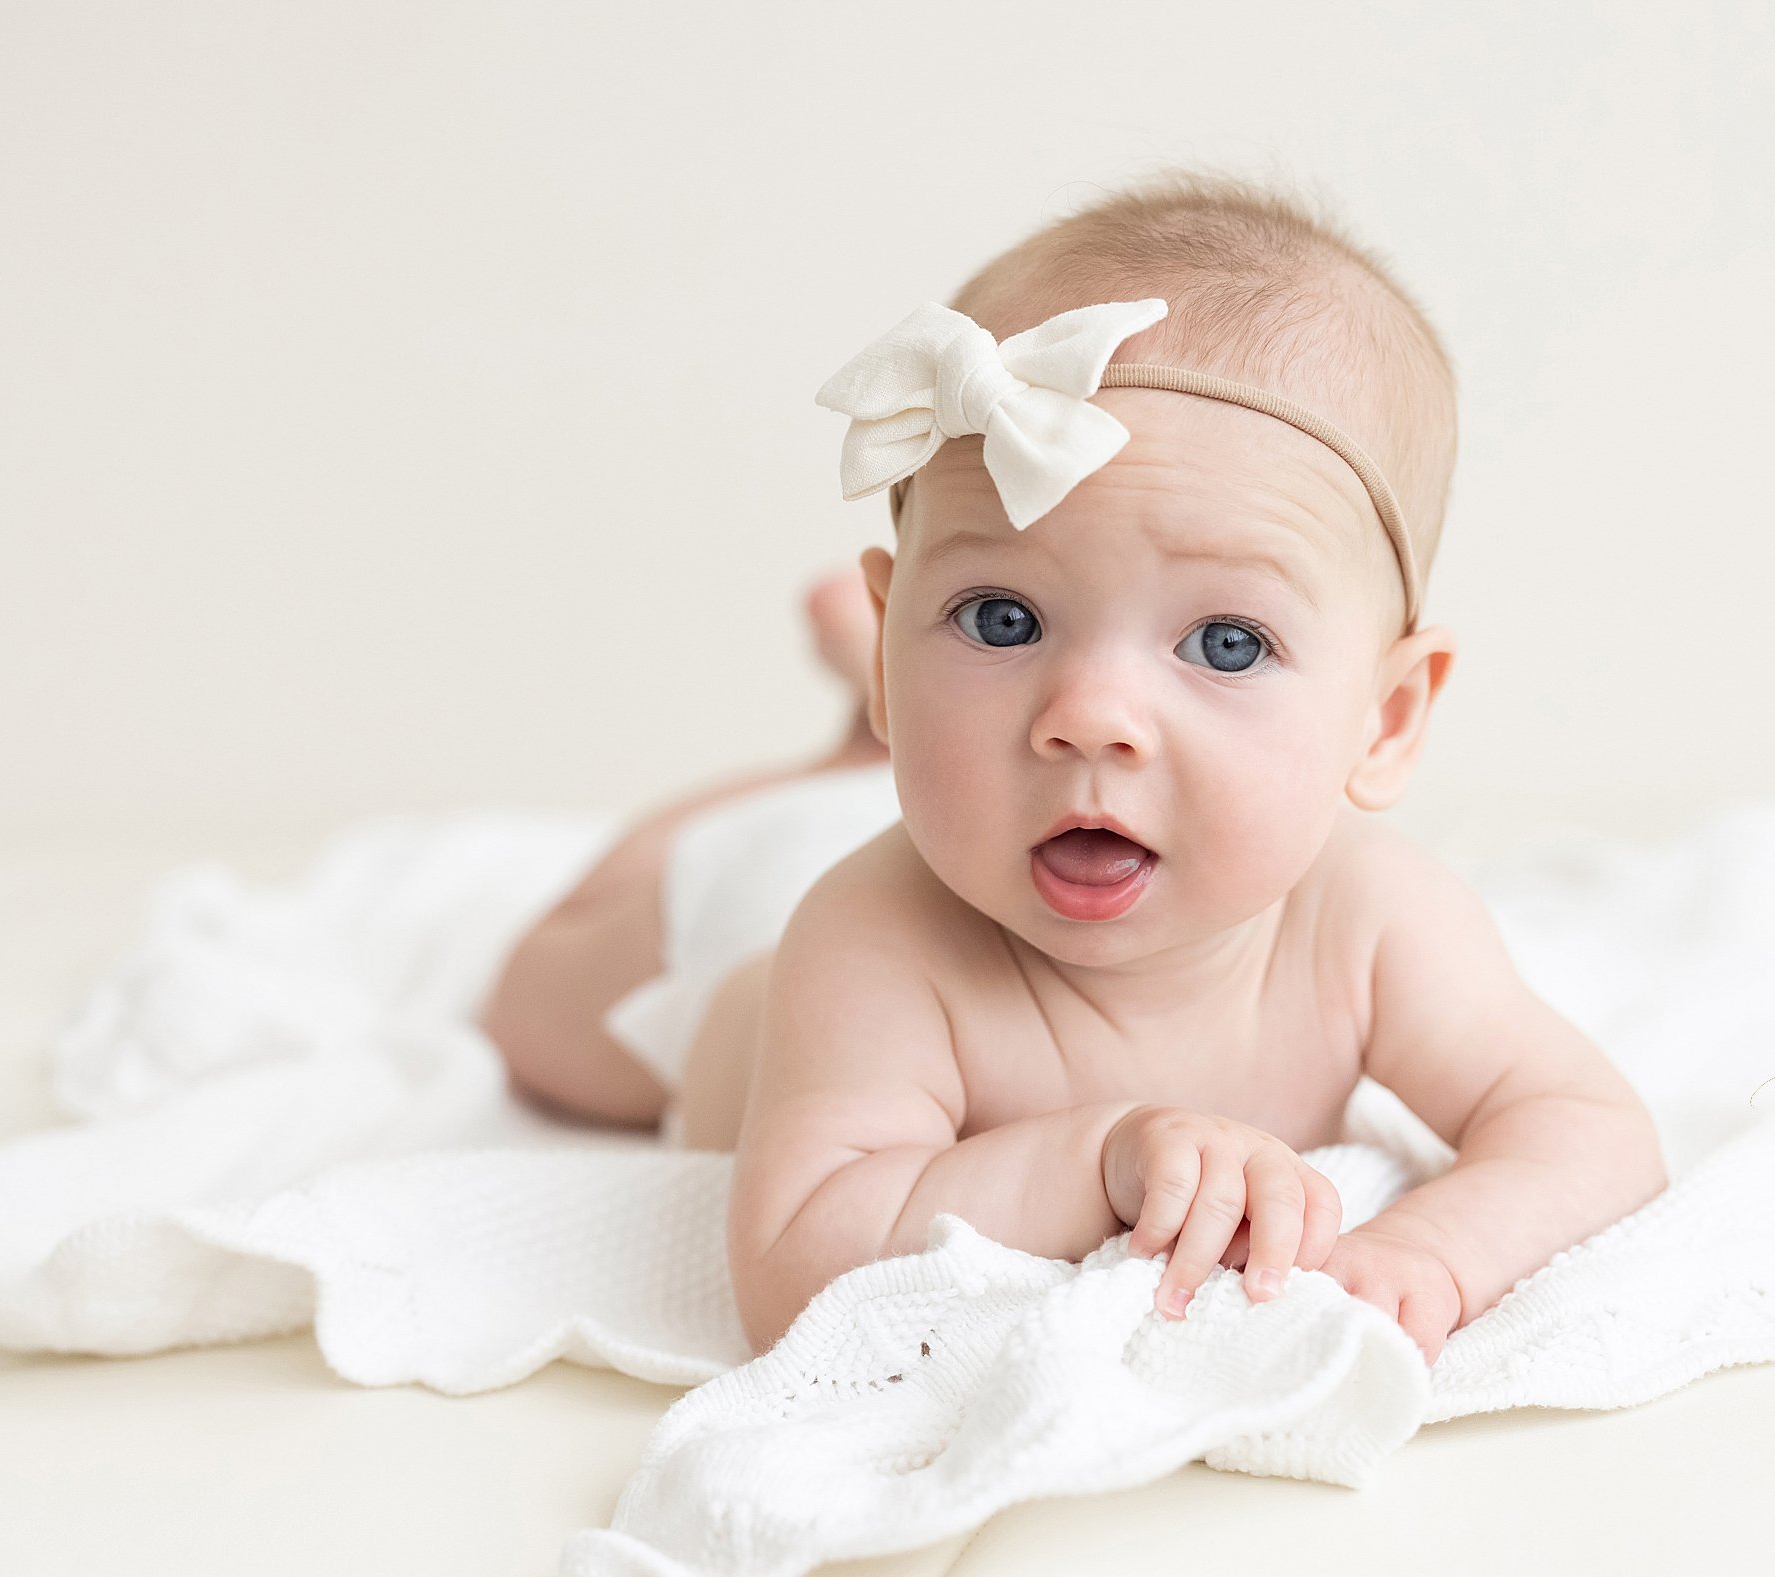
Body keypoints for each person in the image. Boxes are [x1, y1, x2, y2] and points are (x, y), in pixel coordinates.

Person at [481, 171, 1668, 1363]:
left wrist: (1431, 1249)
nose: (1090, 718)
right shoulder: (871, 938)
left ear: (1386, 716)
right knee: (535, 1013)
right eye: (1001, 618)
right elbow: (794, 1266)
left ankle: (860, 734)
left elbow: (1585, 1125)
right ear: (904, 647)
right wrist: (1099, 1156)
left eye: (1226, 643)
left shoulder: (1371, 918)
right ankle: (831, 754)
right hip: (740, 930)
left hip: (961, 786)